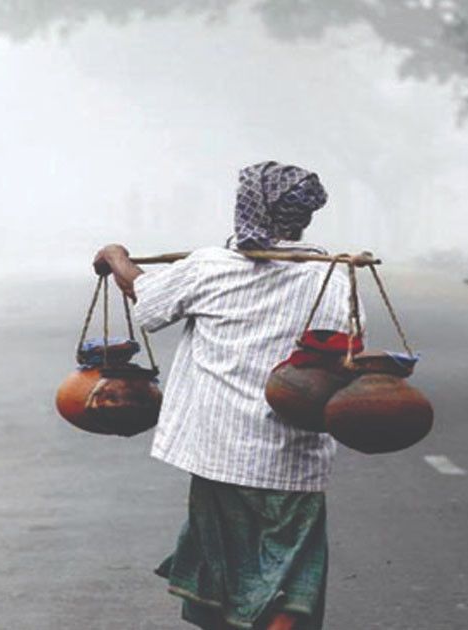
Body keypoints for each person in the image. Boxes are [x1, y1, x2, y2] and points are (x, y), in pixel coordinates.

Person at [92, 161, 358, 630]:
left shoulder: (210, 267)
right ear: (304, 216)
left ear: (246, 208)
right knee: (287, 580)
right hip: (292, 458)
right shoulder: (331, 278)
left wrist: (114, 255)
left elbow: (146, 296)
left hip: (221, 453)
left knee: (226, 578)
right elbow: (346, 357)